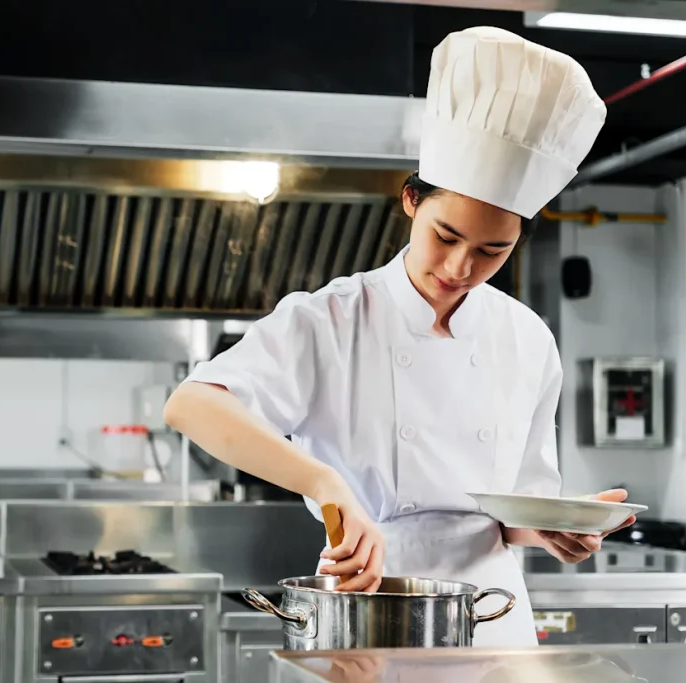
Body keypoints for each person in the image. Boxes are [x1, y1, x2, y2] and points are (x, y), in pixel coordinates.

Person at [163, 26, 636, 647]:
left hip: (492, 620)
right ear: (411, 200)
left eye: (493, 251)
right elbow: (192, 404)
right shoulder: (330, 319)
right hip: (369, 609)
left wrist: (555, 528)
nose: (460, 268)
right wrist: (324, 484)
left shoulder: (526, 338)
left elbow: (514, 509)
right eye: (446, 237)